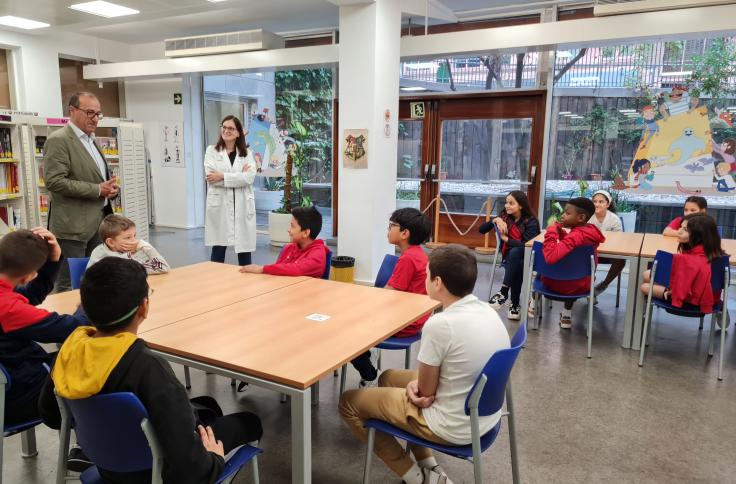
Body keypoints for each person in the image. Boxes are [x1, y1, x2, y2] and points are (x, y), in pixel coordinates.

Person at [39, 258, 263, 484]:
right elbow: (190, 468)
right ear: (144, 308)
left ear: (84, 307)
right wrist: (214, 459)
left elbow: (51, 415)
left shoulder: (68, 352)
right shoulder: (147, 368)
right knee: (250, 421)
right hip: (156, 472)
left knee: (209, 406)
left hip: (107, 467)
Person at [339, 244, 510, 484]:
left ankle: (416, 478)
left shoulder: (440, 324)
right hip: (482, 415)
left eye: (427, 275)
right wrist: (417, 386)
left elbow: (426, 393)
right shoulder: (487, 311)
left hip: (451, 425)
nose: (426, 280)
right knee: (388, 377)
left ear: (437, 282)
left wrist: (417, 387)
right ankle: (430, 467)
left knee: (349, 402)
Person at [0, 229, 85, 427]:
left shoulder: (7, 299)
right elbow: (73, 327)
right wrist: (87, 304)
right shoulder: (8, 309)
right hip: (15, 397)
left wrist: (54, 260)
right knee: (92, 366)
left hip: (9, 381)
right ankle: (89, 444)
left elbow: (28, 297)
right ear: (29, 276)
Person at [44, 92, 118, 292]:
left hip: (98, 222)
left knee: (94, 278)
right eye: (90, 113)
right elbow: (54, 181)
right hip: (72, 227)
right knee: (68, 283)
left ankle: (87, 319)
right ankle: (67, 322)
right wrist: (97, 189)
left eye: (98, 114)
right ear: (72, 111)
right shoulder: (59, 140)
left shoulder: (91, 140)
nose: (95, 118)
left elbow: (95, 178)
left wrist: (109, 190)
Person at [350, 208, 432, 384]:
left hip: (404, 322)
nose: (387, 230)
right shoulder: (416, 254)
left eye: (391, 226)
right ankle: (366, 355)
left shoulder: (408, 259)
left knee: (346, 332)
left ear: (404, 233)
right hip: (411, 316)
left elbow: (389, 294)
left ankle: (370, 375)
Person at [538, 198, 605, 329]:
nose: (562, 215)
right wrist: (561, 233)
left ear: (581, 217)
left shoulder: (576, 235)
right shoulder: (589, 230)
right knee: (572, 271)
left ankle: (534, 303)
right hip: (582, 285)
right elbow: (572, 242)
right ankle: (566, 315)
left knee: (541, 265)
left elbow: (551, 257)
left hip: (561, 285)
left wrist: (551, 231)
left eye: (567, 213)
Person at [641, 214, 724, 313]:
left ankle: (666, 296)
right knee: (647, 275)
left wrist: (673, 291)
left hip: (689, 299)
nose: (679, 231)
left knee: (644, 285)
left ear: (699, 235)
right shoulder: (714, 254)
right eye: (680, 227)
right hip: (712, 299)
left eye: (685, 230)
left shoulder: (687, 260)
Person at [204, 115, 257, 266]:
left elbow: (249, 178)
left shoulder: (247, 153)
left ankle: (247, 281)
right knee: (219, 247)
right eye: (224, 127)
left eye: (231, 128)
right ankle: (215, 281)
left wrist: (222, 176)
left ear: (239, 133)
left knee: (244, 249)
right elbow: (211, 178)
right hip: (220, 204)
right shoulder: (211, 151)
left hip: (242, 204)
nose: (226, 130)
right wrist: (237, 176)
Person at [481, 190, 541, 320]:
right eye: (506, 202)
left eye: (511, 203)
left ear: (521, 206)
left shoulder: (531, 222)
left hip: (530, 257)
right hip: (511, 258)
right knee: (516, 262)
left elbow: (526, 246)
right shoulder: (504, 216)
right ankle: (514, 304)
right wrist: (495, 220)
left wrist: (506, 239)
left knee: (516, 255)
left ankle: (504, 293)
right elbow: (481, 230)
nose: (507, 205)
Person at [240, 206, 328, 277]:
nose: (289, 230)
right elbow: (277, 271)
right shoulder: (289, 247)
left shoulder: (318, 254)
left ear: (305, 233)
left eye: (292, 226)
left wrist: (262, 269)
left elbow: (297, 269)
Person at [87, 214, 170, 274]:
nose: (135, 241)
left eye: (134, 236)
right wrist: (146, 247)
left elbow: (162, 267)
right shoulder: (111, 259)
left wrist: (144, 245)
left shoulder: (122, 253)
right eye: (128, 238)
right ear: (111, 242)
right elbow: (162, 267)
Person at [588, 190, 625, 298]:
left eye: (601, 201)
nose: (597, 204)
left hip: (608, 253)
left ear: (608, 204)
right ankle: (588, 288)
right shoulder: (588, 217)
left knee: (621, 260)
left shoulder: (614, 219)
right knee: (586, 257)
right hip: (592, 252)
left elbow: (618, 239)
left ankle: (602, 286)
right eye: (594, 201)